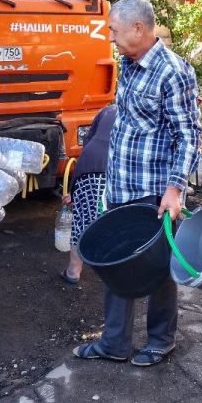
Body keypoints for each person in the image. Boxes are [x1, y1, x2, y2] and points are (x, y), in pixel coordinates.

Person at [72, 0, 202, 367]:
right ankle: (114, 343)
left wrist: (175, 189)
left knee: (156, 268)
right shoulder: (128, 64)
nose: (110, 37)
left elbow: (188, 136)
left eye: (114, 29)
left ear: (138, 29)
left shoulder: (173, 71)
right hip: (122, 187)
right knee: (117, 263)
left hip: (155, 191)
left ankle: (161, 340)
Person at [59, 105, 117, 285]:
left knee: (82, 218)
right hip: (117, 167)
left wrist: (75, 191)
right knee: (113, 219)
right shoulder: (147, 110)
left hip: (90, 164)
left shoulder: (108, 110)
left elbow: (88, 141)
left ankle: (73, 271)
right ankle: (113, 269)